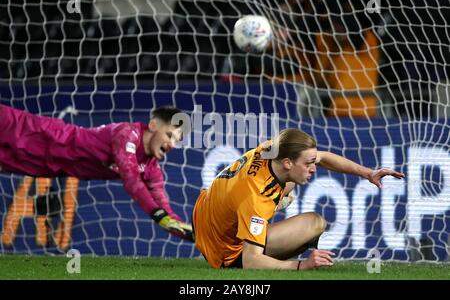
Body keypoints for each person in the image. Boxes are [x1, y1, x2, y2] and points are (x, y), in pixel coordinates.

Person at [192, 128, 405, 270]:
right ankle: (273, 208)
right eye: (308, 163)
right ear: (287, 162)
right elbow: (250, 260)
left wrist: (368, 173)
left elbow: (323, 158)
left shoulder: (271, 149)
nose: (314, 168)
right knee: (315, 223)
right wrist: (301, 265)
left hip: (202, 214)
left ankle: (278, 201)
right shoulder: (256, 197)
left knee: (291, 183)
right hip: (222, 251)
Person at [0, 104, 193, 241]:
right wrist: (158, 215)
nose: (172, 145)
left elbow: (166, 212)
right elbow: (131, 178)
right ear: (153, 126)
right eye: (169, 135)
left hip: (42, 166)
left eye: (177, 140)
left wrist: (194, 235)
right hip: (46, 137)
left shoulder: (152, 170)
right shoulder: (127, 133)